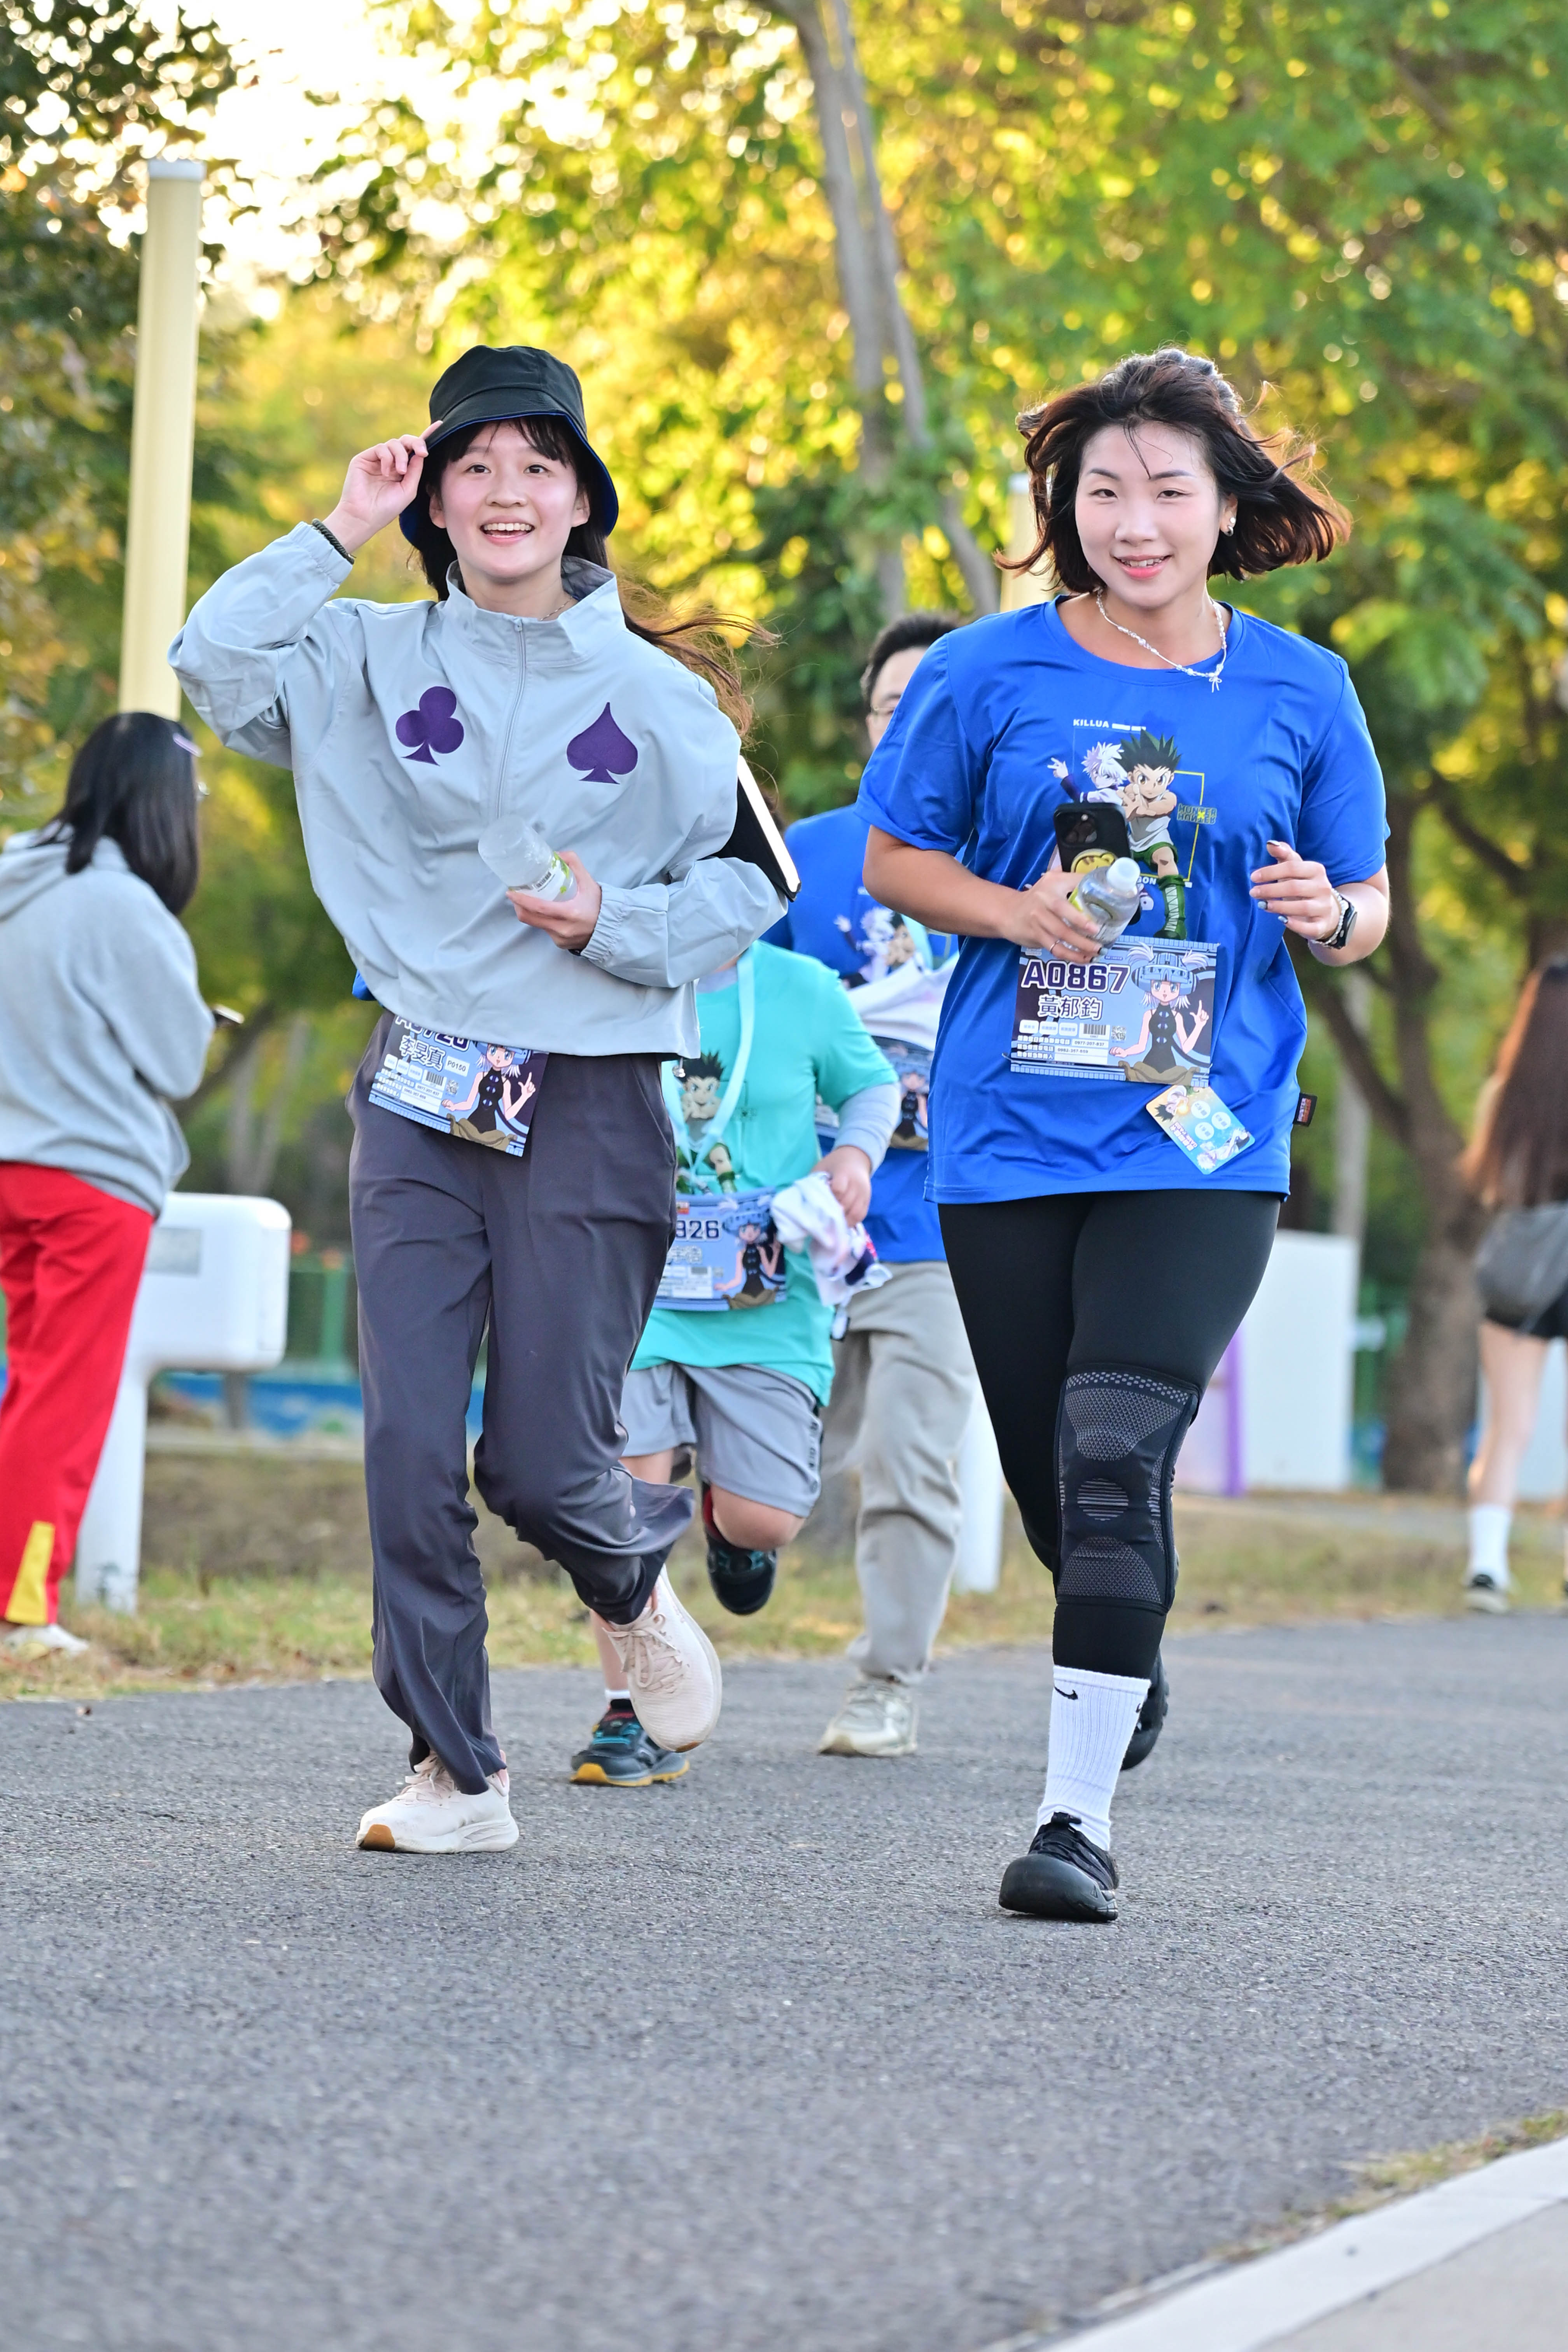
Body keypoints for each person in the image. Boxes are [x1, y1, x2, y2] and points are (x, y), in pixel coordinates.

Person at [172, 343, 784, 1852]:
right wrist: (336, 527)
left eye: (537, 466)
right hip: (424, 1080)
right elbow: (214, 663)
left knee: (541, 1462)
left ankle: (629, 1578)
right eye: (473, 467)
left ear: (582, 500)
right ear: (434, 502)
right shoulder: (358, 656)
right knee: (403, 1446)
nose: (507, 492)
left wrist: (613, 923)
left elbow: (752, 886)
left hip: (594, 1089)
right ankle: (457, 1772)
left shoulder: (663, 700)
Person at [858, 345, 1390, 1920]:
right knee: (1061, 1486)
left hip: (1202, 1139)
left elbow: (1365, 900)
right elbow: (894, 858)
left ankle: (1072, 1821)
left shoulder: (1303, 687)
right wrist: (1011, 908)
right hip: (1010, 1131)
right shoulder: (983, 670)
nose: (1135, 521)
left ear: (1227, 508)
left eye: (1168, 491)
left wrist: (1327, 911)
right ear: (1065, 505)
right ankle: (1122, 1642)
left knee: (1111, 1449)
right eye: (1105, 491)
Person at [569, 940, 897, 1786]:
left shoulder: (803, 988)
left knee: (766, 1522)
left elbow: (871, 1087)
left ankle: (729, 1527)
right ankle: (628, 1710)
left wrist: (853, 1155)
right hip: (637, 1284)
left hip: (765, 1292)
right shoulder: (610, 973)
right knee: (621, 1502)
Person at [765, 612, 984, 1760]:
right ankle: (731, 1550)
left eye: (929, 709)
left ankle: (887, 1681)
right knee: (769, 1457)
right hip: (805, 1217)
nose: (905, 728)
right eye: (890, 708)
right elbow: (744, 1019)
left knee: (908, 1459)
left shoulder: (1019, 856)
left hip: (944, 1226)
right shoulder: (804, 855)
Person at [0, 714, 214, 1655]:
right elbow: (177, 1060)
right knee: (63, 1395)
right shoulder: (125, 907)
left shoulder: (13, 878)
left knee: (25, 1385)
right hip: (90, 1184)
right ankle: (22, 1610)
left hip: (10, 1162)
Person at [1459, 958, 1568, 1611]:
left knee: (1509, 1424)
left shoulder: (1504, 1096)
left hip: (1520, 1270)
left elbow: (1488, 1184)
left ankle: (1487, 1567)